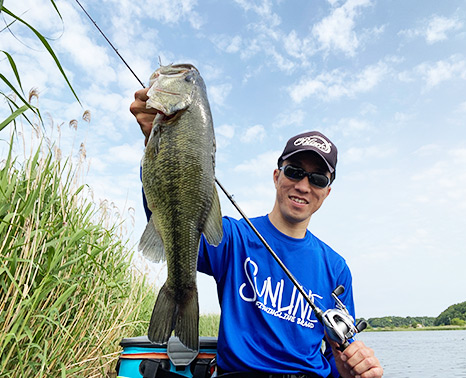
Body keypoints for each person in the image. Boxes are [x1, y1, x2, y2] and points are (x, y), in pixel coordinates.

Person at [130, 87, 383, 378]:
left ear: (327, 193)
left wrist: (352, 371)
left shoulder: (336, 268)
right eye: (294, 172)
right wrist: (159, 144)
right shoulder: (234, 238)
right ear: (277, 176)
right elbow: (172, 224)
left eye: (316, 179)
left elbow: (340, 356)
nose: (303, 185)